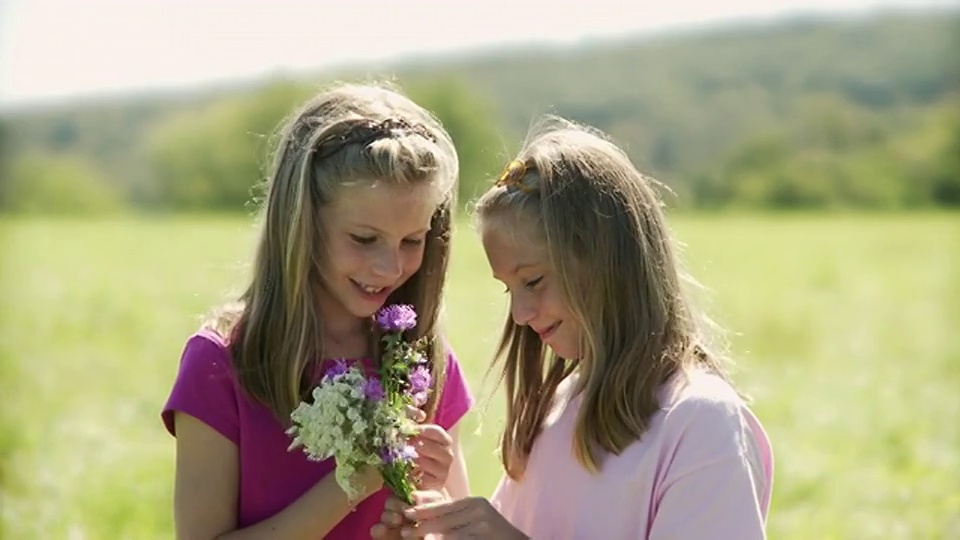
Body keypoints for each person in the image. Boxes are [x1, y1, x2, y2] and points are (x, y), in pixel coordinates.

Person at [373, 117, 774, 539]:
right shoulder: (558, 407)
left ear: (607, 262)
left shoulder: (701, 424)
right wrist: (437, 531)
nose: (521, 315)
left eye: (533, 281)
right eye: (509, 290)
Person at [161, 82, 475, 539]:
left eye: (413, 241)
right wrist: (354, 482)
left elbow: (449, 523)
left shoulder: (421, 364)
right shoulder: (222, 364)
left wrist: (430, 517)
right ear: (302, 224)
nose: (391, 267)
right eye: (364, 239)